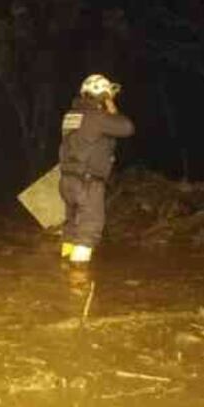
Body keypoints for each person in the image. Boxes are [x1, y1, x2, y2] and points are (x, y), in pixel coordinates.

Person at [58, 73, 135, 264]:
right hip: (87, 182)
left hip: (67, 181)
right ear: (102, 95)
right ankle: (78, 281)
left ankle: (63, 268)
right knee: (89, 230)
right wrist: (109, 104)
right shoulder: (97, 117)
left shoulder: (71, 115)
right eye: (108, 95)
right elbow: (127, 128)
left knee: (71, 229)